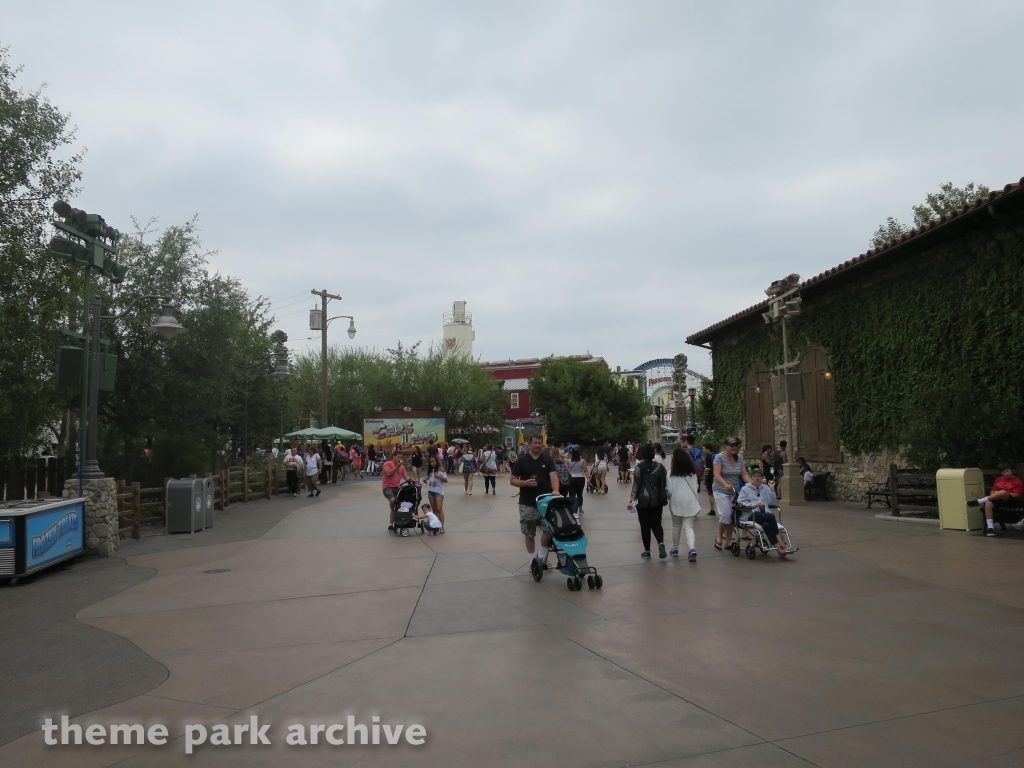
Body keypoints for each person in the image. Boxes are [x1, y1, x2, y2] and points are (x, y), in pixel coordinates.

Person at [510, 434, 560, 569]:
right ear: (529, 444)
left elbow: (553, 476)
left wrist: (555, 490)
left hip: (545, 502)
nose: (537, 446)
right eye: (535, 443)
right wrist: (525, 483)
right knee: (529, 533)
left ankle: (542, 555)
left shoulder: (548, 459)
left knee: (549, 530)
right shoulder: (522, 460)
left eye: (539, 443)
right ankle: (533, 560)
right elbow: (512, 479)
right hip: (527, 503)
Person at [737, 468, 797, 555]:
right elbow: (740, 503)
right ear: (751, 478)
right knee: (771, 516)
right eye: (754, 476)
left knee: (766, 524)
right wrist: (754, 504)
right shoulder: (745, 489)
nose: (757, 478)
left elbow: (772, 503)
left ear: (762, 478)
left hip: (764, 514)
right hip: (751, 514)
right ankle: (781, 543)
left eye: (759, 476)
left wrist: (772, 490)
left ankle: (778, 550)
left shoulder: (765, 488)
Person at [629, 443, 668, 559]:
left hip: (642, 501)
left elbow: (636, 486)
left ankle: (647, 551)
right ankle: (661, 543)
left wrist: (631, 501)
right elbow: (664, 482)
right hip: (657, 500)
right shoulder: (660, 467)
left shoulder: (638, 468)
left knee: (644, 525)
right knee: (656, 524)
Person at [712, 438, 750, 551]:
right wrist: (725, 485)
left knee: (732, 515)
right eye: (732, 445)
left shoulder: (739, 458)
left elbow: (744, 474)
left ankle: (728, 541)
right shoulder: (720, 457)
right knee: (725, 514)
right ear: (726, 446)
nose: (734, 448)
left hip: (734, 490)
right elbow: (716, 474)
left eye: (736, 445)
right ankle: (719, 537)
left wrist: (752, 484)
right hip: (720, 490)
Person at [967, 463, 1024, 536]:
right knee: (988, 503)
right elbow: (992, 491)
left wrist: (1002, 493)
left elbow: (1016, 494)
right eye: (1003, 472)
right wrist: (996, 494)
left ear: (1011, 470)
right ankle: (991, 528)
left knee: (1003, 492)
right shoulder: (999, 479)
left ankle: (979, 501)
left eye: (1007, 471)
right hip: (998, 499)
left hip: (1010, 500)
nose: (1006, 473)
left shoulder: (1017, 481)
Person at [667, 447, 701, 560]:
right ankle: (691, 548)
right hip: (690, 501)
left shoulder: (670, 474)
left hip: (676, 502)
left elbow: (669, 491)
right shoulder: (692, 474)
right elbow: (696, 488)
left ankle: (675, 549)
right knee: (688, 527)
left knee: (676, 526)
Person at [382, 451, 410, 531]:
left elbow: (406, 476)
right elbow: (388, 473)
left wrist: (410, 479)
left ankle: (391, 524)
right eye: (398, 457)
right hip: (387, 487)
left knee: (401, 504)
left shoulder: (402, 467)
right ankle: (393, 507)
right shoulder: (388, 463)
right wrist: (397, 466)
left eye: (401, 457)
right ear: (393, 457)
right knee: (393, 500)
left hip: (396, 488)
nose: (400, 459)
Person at [425, 454, 448, 532]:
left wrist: (439, 477)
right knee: (434, 509)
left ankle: (442, 526)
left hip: (438, 491)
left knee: (439, 509)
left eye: (433, 461)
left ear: (436, 461)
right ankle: (435, 525)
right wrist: (425, 479)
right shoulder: (431, 470)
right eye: (430, 462)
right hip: (431, 491)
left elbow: (445, 480)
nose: (432, 463)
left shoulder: (441, 469)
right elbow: (429, 476)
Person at [566, 447, 588, 513]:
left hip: (572, 478)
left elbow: (567, 470)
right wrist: (588, 478)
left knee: (571, 494)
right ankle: (580, 509)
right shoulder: (583, 461)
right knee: (579, 494)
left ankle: (572, 509)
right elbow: (585, 470)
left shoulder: (568, 461)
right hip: (581, 478)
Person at [703, 443, 717, 515]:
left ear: (708, 449)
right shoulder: (716, 455)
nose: (703, 450)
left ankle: (712, 510)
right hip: (717, 477)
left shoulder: (708, 457)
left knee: (710, 494)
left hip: (710, 477)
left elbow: (708, 469)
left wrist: (705, 472)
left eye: (704, 449)